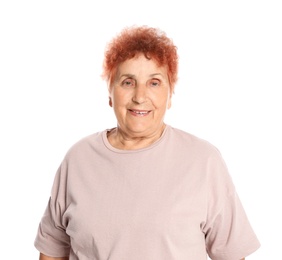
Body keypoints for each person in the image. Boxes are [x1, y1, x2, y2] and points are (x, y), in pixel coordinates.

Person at [34, 25, 260, 260]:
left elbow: (231, 254)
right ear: (110, 92)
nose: (140, 97)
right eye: (128, 82)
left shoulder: (203, 161)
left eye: (154, 82)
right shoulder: (78, 159)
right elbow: (52, 250)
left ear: (170, 93)